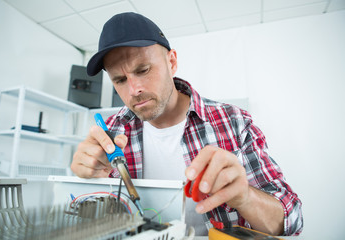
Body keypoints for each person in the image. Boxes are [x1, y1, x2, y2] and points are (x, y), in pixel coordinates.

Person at [71, 12, 303, 236]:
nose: (134, 91)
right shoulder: (109, 133)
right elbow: (92, 222)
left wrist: (244, 196)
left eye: (143, 70)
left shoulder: (234, 123)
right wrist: (86, 186)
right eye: (120, 80)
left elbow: (292, 219)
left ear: (172, 62)